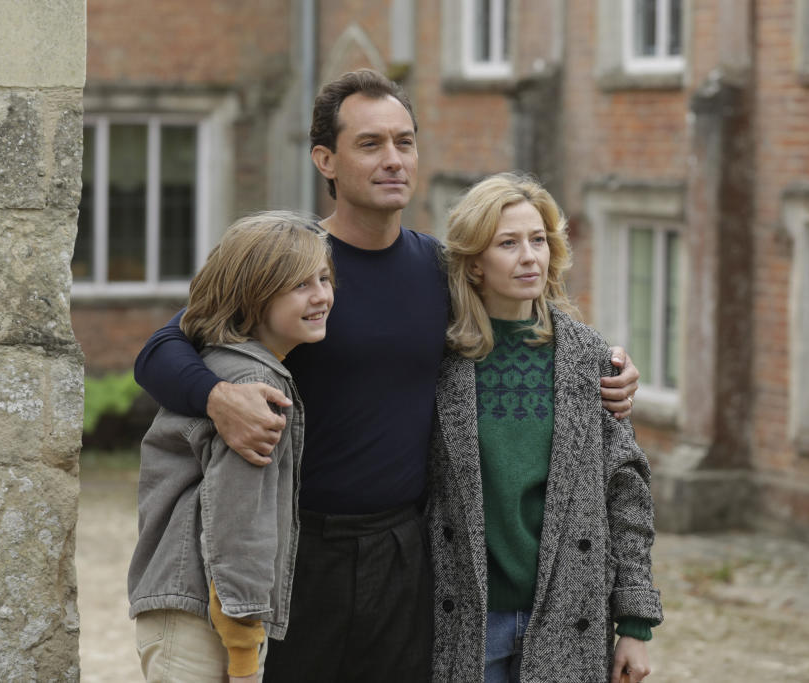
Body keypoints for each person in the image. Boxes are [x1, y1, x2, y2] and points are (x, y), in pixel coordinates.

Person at [133, 69, 641, 683]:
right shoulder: (292, 265)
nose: (393, 159)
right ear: (326, 159)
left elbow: (521, 315)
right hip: (300, 547)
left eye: (405, 142)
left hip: (405, 552)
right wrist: (216, 398)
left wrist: (607, 364)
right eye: (370, 144)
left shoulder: (441, 270)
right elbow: (161, 349)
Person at [428, 173, 663, 683]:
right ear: (473, 265)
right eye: (508, 243)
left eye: (538, 240)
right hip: (462, 617)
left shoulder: (588, 357)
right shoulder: (438, 358)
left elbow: (626, 493)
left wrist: (636, 624)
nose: (529, 256)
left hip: (568, 616)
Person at [127, 211, 334, 683]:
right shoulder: (255, 385)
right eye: (300, 285)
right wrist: (244, 656)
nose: (321, 295)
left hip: (184, 608)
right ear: (254, 296)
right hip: (206, 624)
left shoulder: (218, 362)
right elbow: (239, 530)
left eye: (324, 278)